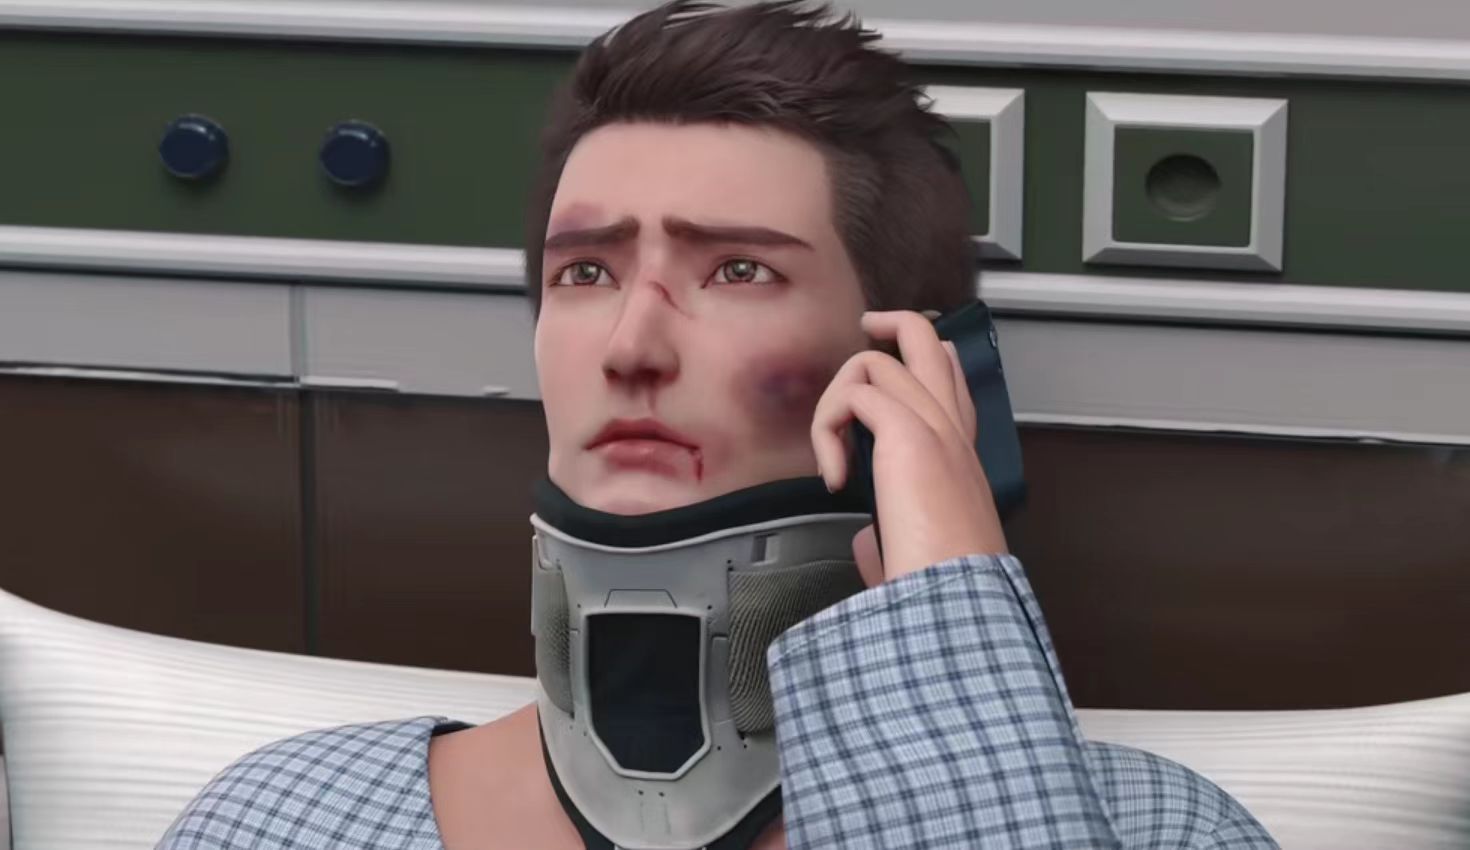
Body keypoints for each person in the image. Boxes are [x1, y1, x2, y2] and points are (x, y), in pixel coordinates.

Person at [157, 2, 1278, 848]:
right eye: (586, 271)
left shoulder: (1157, 829)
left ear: (912, 371)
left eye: (738, 269)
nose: (631, 345)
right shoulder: (277, 821)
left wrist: (949, 604)